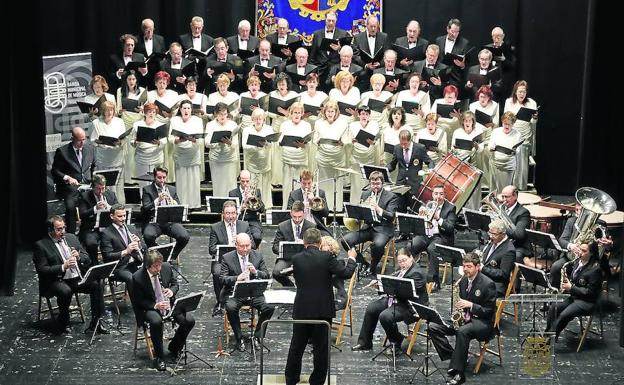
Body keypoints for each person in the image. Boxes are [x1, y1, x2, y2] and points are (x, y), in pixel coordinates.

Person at [284, 228, 356, 385]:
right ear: (320, 242)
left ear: (304, 242)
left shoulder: (296, 258)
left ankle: (291, 379)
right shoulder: (327, 257)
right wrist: (351, 258)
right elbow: (345, 273)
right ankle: (317, 381)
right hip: (322, 311)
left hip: (302, 309)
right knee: (321, 350)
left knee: (296, 347)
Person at [33, 215, 107, 335]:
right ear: (50, 230)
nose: (62, 232)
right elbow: (42, 270)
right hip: (55, 280)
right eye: (59, 229)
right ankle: (63, 321)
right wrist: (63, 266)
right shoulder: (41, 245)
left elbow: (86, 258)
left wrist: (78, 257)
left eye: (64, 228)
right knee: (65, 291)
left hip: (74, 277)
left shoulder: (71, 238)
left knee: (96, 285)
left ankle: (96, 322)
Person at [429, 253, 496, 385]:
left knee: (463, 331)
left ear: (477, 267)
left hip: (483, 322)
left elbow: (489, 312)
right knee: (433, 326)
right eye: (464, 266)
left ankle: (459, 373)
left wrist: (471, 305)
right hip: (465, 318)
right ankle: (454, 356)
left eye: (469, 266)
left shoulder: (488, 284)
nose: (465, 269)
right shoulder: (463, 280)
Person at [352, 248, 428, 353]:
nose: (402, 264)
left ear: (411, 258)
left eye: (404, 260)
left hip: (411, 305)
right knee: (372, 308)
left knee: (385, 316)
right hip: (397, 300)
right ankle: (365, 342)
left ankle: (397, 340)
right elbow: (393, 283)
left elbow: (407, 293)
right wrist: (379, 285)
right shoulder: (402, 269)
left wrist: (388, 287)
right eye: (400, 261)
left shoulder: (417, 273)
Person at [132, 249, 196, 371]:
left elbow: (175, 284)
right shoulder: (137, 277)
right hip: (149, 307)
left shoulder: (166, 267)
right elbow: (138, 301)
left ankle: (175, 347)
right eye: (155, 266)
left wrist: (171, 291)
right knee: (156, 322)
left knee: (189, 320)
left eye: (160, 265)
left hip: (168, 303)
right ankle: (160, 357)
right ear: (147, 266)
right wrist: (155, 305)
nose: (159, 269)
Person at [220, 233, 275, 352]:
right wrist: (237, 278)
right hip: (235, 293)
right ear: (236, 245)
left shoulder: (257, 256)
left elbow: (266, 274)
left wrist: (256, 272)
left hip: (254, 293)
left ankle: (257, 336)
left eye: (247, 245)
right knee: (230, 307)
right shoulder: (227, 258)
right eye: (242, 246)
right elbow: (222, 278)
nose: (245, 249)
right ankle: (239, 338)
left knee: (269, 307)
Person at [342, 171, 399, 275]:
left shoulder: (391, 197)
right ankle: (362, 262)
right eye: (373, 184)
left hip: (383, 229)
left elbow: (391, 216)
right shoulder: (365, 194)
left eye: (377, 184)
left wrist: (377, 208)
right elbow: (361, 212)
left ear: (382, 183)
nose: (375, 186)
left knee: (377, 245)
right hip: (368, 227)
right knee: (345, 240)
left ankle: (372, 267)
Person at [546, 242, 602, 341]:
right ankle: (548, 334)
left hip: (588, 302)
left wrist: (571, 288)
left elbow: (591, 293)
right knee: (553, 308)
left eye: (584, 251)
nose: (580, 252)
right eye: (580, 249)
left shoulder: (595, 269)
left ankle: (549, 339)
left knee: (564, 315)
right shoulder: (577, 262)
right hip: (575, 297)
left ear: (591, 253)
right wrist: (568, 284)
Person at [209, 200, 254, 315]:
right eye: (228, 213)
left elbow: (252, 245)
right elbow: (211, 249)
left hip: (241, 257)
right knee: (217, 273)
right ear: (223, 214)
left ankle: (246, 299)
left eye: (233, 213)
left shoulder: (244, 225)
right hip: (223, 260)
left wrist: (240, 242)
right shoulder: (215, 227)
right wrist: (227, 246)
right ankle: (220, 302)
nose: (231, 216)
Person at [410, 185, 458, 289]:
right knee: (411, 245)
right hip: (427, 235)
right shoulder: (428, 204)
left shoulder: (450, 208)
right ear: (432, 194)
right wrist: (420, 217)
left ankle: (432, 281)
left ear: (445, 195)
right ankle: (410, 275)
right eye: (436, 193)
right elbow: (420, 225)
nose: (438, 196)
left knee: (432, 249)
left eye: (441, 194)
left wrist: (438, 218)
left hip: (441, 237)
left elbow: (450, 228)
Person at [51, 126, 96, 234]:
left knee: (97, 203)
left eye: (84, 139)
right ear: (73, 138)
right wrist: (67, 177)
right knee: (71, 208)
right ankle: (71, 234)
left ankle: (90, 231)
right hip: (71, 188)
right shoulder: (62, 152)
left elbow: (94, 166)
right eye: (79, 140)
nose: (82, 143)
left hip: (87, 185)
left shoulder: (90, 148)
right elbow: (55, 171)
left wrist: (94, 178)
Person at [141, 166, 190, 263]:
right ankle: (157, 255)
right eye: (159, 177)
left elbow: (179, 206)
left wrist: (172, 201)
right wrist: (157, 200)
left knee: (185, 237)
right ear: (154, 177)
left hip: (170, 222)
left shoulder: (172, 189)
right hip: (154, 222)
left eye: (164, 177)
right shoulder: (147, 190)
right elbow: (146, 208)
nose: (162, 180)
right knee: (148, 236)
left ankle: (170, 256)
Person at [313, 100, 349, 212]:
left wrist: (343, 142)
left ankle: (336, 208)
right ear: (324, 111)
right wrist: (318, 141)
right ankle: (323, 208)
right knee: (323, 183)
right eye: (328, 111)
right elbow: (315, 138)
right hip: (323, 156)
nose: (330, 113)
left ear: (336, 112)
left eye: (332, 111)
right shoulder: (318, 123)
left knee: (336, 182)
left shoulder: (343, 122)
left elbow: (346, 138)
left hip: (337, 156)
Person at [271, 201, 316, 287]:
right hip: (287, 258)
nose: (297, 220)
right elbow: (275, 246)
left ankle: (305, 289)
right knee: (276, 273)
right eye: (294, 217)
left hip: (306, 258)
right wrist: (284, 249)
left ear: (304, 213)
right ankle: (290, 286)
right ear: (290, 213)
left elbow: (316, 245)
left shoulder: (311, 226)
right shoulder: (282, 226)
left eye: (300, 217)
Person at [386, 129, 433, 211]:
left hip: (415, 185)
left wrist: (431, 170)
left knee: (414, 210)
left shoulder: (420, 148)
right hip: (401, 185)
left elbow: (429, 162)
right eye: (401, 143)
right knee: (400, 209)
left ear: (410, 140)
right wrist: (384, 169)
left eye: (405, 144)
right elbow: (392, 164)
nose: (403, 146)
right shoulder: (397, 148)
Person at [91, 100, 128, 204]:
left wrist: (120, 142)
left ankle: (120, 208)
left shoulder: (119, 121)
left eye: (111, 109)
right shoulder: (96, 123)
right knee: (105, 186)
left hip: (117, 158)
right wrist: (99, 142)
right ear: (103, 111)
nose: (109, 112)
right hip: (103, 159)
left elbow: (124, 138)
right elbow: (93, 140)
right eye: (107, 110)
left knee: (118, 187)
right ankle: (105, 208)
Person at [504, 80, 538, 190]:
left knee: (523, 165)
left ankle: (522, 188)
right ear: (515, 92)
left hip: (525, 136)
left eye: (524, 91)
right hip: (512, 135)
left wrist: (535, 118)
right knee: (512, 163)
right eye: (520, 91)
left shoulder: (531, 103)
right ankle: (510, 188)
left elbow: (533, 122)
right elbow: (505, 118)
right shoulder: (509, 102)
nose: (522, 94)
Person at [170, 99, 204, 208]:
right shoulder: (174, 120)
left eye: (188, 108)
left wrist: (193, 139)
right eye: (184, 108)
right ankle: (182, 205)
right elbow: (170, 138)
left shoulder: (197, 120)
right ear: (180, 109)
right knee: (182, 182)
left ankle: (194, 204)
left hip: (193, 153)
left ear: (191, 110)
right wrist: (178, 140)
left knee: (193, 181)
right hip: (180, 154)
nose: (186, 110)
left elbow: (201, 138)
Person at [78, 174, 118, 263]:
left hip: (108, 227)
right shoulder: (84, 196)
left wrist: (110, 208)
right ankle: (94, 265)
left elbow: (118, 209)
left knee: (117, 240)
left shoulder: (111, 195)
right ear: (92, 187)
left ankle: (111, 264)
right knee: (91, 243)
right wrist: (95, 208)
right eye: (98, 188)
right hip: (91, 229)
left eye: (103, 188)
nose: (101, 191)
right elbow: (82, 214)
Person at [268, 73, 300, 188]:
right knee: (276, 153)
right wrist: (278, 112)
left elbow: (298, 111)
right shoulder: (272, 94)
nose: (281, 86)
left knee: (287, 151)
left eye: (283, 84)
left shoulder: (294, 95)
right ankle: (276, 179)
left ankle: (288, 179)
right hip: (276, 125)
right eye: (279, 84)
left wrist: (287, 113)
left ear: (288, 85)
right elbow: (268, 112)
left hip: (289, 126)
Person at [100, 204, 145, 285]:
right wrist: (126, 251)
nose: (123, 219)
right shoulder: (106, 233)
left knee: (151, 272)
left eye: (124, 215)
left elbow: (145, 248)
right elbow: (107, 256)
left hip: (135, 263)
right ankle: (136, 297)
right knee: (132, 278)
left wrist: (139, 244)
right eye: (120, 216)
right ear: (112, 216)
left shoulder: (132, 228)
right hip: (119, 268)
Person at [279, 102, 313, 206]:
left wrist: (303, 145)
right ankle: (287, 207)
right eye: (294, 112)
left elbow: (309, 142)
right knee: (287, 185)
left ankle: (302, 208)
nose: (297, 115)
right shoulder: (284, 125)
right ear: (290, 113)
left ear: (302, 113)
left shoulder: (306, 125)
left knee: (300, 185)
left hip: (301, 160)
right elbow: (280, 141)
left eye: (299, 112)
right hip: (287, 159)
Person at [346, 105, 380, 203]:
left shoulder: (374, 125)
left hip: (369, 159)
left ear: (369, 116)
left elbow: (377, 141)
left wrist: (373, 143)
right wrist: (351, 141)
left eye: (366, 114)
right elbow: (347, 141)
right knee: (356, 185)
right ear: (359, 115)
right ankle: (354, 205)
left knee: (367, 185)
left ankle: (367, 205)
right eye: (362, 114)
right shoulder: (353, 125)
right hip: (356, 159)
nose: (364, 116)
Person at [205, 102, 240, 197]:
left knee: (230, 184)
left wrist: (229, 143)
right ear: (216, 114)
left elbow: (236, 144)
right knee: (218, 184)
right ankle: (218, 205)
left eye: (225, 114)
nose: (223, 116)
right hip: (216, 159)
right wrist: (217, 142)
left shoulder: (233, 124)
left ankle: (232, 205)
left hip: (230, 158)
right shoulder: (210, 125)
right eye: (220, 114)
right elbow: (207, 143)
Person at [451, 111, 484, 209]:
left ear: (473, 122)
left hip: (473, 163)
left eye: (470, 120)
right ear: (462, 122)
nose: (467, 122)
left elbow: (481, 150)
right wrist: (455, 147)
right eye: (465, 120)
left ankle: (474, 209)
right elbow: (452, 148)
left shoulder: (478, 132)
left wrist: (477, 146)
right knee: (461, 187)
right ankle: (460, 210)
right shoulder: (457, 132)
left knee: (473, 188)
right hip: (461, 163)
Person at [241, 108, 273, 207]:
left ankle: (266, 207)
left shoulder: (269, 129)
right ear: (252, 119)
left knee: (265, 188)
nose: (258, 121)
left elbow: (272, 144)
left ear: (264, 119)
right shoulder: (247, 130)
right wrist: (256, 146)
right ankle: (252, 207)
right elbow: (244, 146)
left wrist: (267, 144)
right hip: (252, 164)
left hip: (264, 163)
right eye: (256, 118)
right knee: (252, 188)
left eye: (260, 118)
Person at [469, 85, 499, 192]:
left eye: (485, 97)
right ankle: (477, 183)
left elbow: (496, 124)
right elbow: (469, 121)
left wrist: (491, 124)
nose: (483, 99)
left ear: (489, 98)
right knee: (477, 157)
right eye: (481, 96)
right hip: (477, 134)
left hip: (489, 135)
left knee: (487, 157)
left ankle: (487, 184)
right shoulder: (473, 105)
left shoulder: (495, 105)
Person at [131, 102, 168, 190]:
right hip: (141, 158)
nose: (151, 114)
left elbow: (164, 141)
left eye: (153, 112)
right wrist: (135, 142)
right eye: (149, 112)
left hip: (156, 158)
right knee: (143, 183)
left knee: (157, 183)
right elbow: (132, 141)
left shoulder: (160, 125)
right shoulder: (137, 124)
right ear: (144, 113)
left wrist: (159, 142)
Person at [229, 169, 266, 247]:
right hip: (239, 221)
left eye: (247, 181)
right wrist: (241, 207)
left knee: (257, 237)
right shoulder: (232, 193)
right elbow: (230, 210)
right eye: (243, 181)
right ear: (239, 180)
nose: (245, 184)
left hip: (253, 220)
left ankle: (251, 251)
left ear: (250, 180)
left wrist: (253, 198)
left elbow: (262, 210)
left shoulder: (256, 191)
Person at [480, 219, 516, 297]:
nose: (491, 236)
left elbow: (503, 274)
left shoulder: (509, 250)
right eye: (490, 233)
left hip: (496, 286)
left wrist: (483, 269)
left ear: (503, 234)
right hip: (485, 281)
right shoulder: (492, 242)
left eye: (494, 234)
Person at [287, 169, 330, 234]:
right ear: (300, 182)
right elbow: (289, 212)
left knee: (328, 238)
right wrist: (301, 206)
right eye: (304, 183)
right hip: (299, 226)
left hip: (316, 226)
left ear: (312, 182)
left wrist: (314, 201)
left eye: (309, 183)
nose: (306, 186)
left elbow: (326, 213)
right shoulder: (293, 194)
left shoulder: (320, 193)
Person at [488, 112, 522, 192]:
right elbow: (490, 145)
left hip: (508, 165)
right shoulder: (496, 131)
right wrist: (492, 148)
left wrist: (514, 151)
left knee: (505, 190)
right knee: (494, 189)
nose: (506, 126)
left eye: (509, 124)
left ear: (513, 124)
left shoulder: (517, 134)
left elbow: (518, 149)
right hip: (495, 163)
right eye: (504, 123)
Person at [498, 185, 531, 265]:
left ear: (515, 196)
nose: (504, 200)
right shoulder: (501, 209)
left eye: (507, 197)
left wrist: (500, 227)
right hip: (503, 243)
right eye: (502, 197)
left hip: (518, 246)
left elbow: (519, 235)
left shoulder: (523, 212)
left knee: (514, 256)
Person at [434, 18, 470, 90]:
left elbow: (467, 64)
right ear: (447, 29)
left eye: (457, 32)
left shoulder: (464, 43)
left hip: (455, 79)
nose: (454, 34)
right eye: (453, 31)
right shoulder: (439, 40)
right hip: (440, 76)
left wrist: (462, 65)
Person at [431, 84, 462, 151]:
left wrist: (459, 117)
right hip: (440, 131)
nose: (449, 100)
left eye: (451, 97)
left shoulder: (460, 105)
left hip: (453, 132)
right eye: (447, 97)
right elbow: (430, 118)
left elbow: (465, 123)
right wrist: (436, 117)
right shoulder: (438, 102)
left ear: (455, 98)